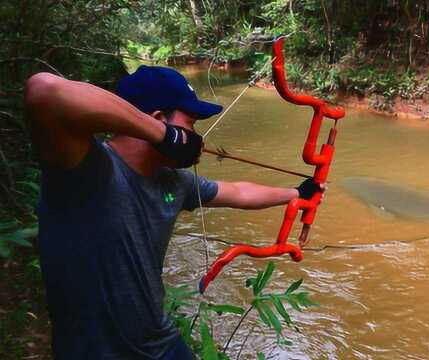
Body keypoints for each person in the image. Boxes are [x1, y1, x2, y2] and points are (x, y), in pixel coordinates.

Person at [23, 65, 322, 360]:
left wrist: (296, 193)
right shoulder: (85, 168)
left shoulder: (172, 181)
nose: (196, 137)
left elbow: (238, 192)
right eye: (190, 123)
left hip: (160, 344)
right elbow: (44, 91)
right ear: (157, 119)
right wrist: (166, 136)